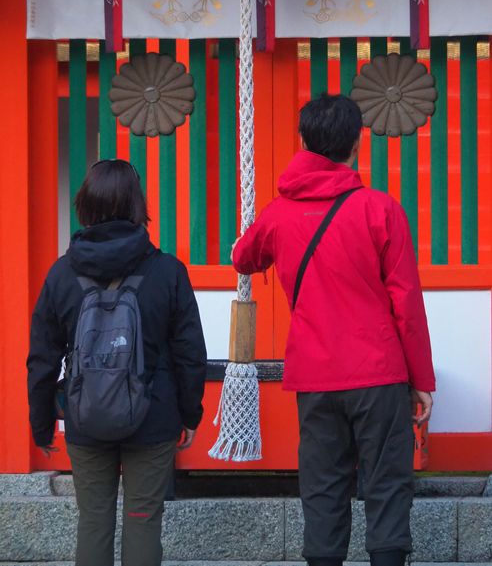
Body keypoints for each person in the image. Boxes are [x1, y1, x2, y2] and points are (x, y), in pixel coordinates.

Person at [232, 94, 435, 566]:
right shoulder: (380, 209)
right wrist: (421, 381)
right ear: (357, 143)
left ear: (303, 141)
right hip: (378, 374)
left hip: (316, 376)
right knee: (387, 484)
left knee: (322, 488)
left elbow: (244, 257)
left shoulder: (279, 213)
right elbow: (406, 303)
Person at [27, 159, 207, 566]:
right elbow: (190, 353)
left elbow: (41, 359)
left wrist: (41, 423)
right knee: (143, 519)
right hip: (154, 416)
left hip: (86, 416)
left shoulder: (61, 275)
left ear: (85, 205)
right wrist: (189, 415)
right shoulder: (167, 271)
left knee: (93, 521)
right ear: (136, 204)